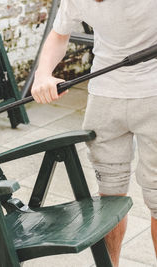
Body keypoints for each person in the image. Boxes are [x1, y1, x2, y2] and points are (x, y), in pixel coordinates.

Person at [31, 0, 157, 266]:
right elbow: (58, 34)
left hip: (154, 97)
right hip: (104, 98)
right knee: (110, 197)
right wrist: (42, 75)